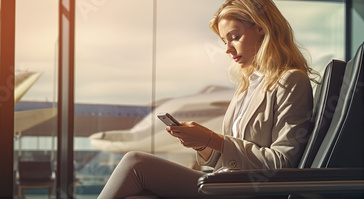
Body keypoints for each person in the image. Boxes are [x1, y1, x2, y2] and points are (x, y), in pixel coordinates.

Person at [97, 0, 319, 198]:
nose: (227, 49)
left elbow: (283, 164)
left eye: (235, 37)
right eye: (224, 41)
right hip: (226, 182)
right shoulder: (247, 87)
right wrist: (204, 145)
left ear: (262, 28)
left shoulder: (291, 81)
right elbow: (226, 160)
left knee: (136, 163)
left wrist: (214, 139)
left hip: (246, 190)